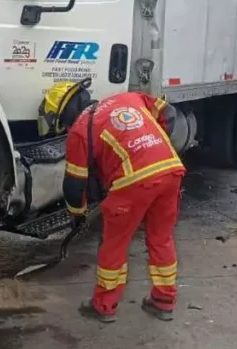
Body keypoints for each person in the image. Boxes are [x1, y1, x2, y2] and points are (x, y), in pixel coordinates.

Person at [39, 80, 186, 324]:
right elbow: (170, 115)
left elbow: (75, 186)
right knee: (161, 239)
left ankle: (104, 306)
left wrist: (78, 215)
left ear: (64, 114)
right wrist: (153, 146)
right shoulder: (128, 98)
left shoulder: (79, 129)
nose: (64, 128)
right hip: (170, 170)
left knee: (113, 244)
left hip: (132, 181)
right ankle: (164, 302)